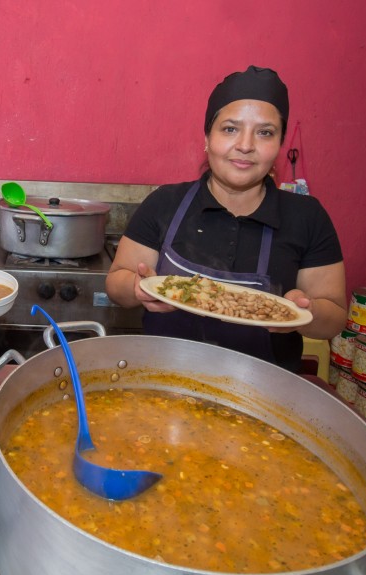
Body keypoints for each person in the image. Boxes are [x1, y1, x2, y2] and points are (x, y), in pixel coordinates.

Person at [106, 66, 346, 372]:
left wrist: (305, 312)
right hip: (163, 382)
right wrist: (138, 287)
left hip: (263, 396)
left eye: (265, 132)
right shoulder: (164, 202)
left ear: (279, 144)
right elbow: (116, 283)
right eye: (230, 129)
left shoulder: (308, 217)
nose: (245, 145)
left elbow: (334, 317)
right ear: (207, 137)